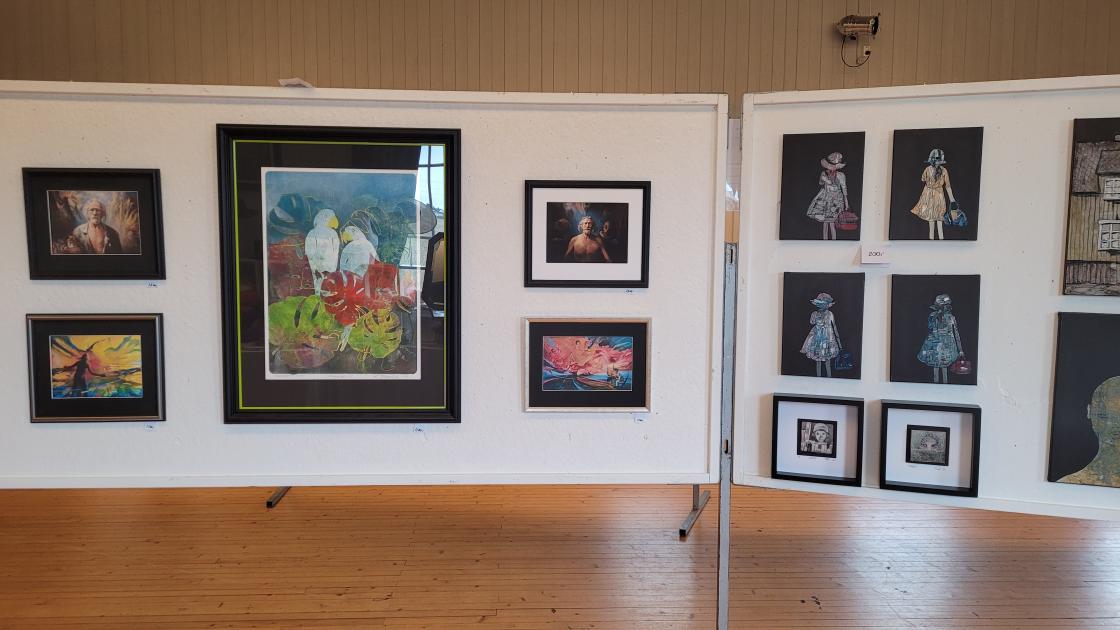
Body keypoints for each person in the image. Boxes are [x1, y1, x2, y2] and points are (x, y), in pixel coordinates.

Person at [1059, 376, 1120, 488]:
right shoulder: (1070, 484)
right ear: (1089, 412)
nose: (1113, 425)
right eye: (1104, 416)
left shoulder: (1069, 484)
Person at [910, 148, 958, 240]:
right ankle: (938, 240)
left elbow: (923, 179)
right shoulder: (943, 170)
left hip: (929, 195)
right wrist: (952, 200)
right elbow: (947, 186)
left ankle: (934, 240)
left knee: (933, 219)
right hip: (938, 195)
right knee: (937, 219)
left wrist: (952, 200)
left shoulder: (928, 169)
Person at [917, 294, 964, 384]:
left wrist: (960, 349)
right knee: (938, 367)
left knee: (942, 367)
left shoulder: (950, 317)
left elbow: (956, 333)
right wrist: (960, 349)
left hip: (944, 346)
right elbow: (931, 329)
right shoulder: (935, 316)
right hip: (937, 346)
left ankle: (942, 386)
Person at [806, 152, 850, 240]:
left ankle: (834, 242)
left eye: (834, 165)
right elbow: (821, 183)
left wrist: (846, 202)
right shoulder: (824, 173)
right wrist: (825, 179)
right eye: (830, 165)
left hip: (835, 200)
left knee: (832, 223)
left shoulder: (841, 175)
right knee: (825, 223)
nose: (832, 168)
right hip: (825, 199)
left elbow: (844, 188)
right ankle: (825, 241)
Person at [800, 293, 842, 378]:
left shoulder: (829, 314)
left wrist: (839, 342)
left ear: (827, 304)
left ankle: (828, 378)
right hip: (818, 338)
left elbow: (834, 327)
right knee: (819, 360)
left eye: (824, 304)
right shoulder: (816, 313)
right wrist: (816, 317)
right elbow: (812, 322)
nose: (823, 306)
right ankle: (819, 378)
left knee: (826, 360)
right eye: (821, 304)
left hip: (827, 339)